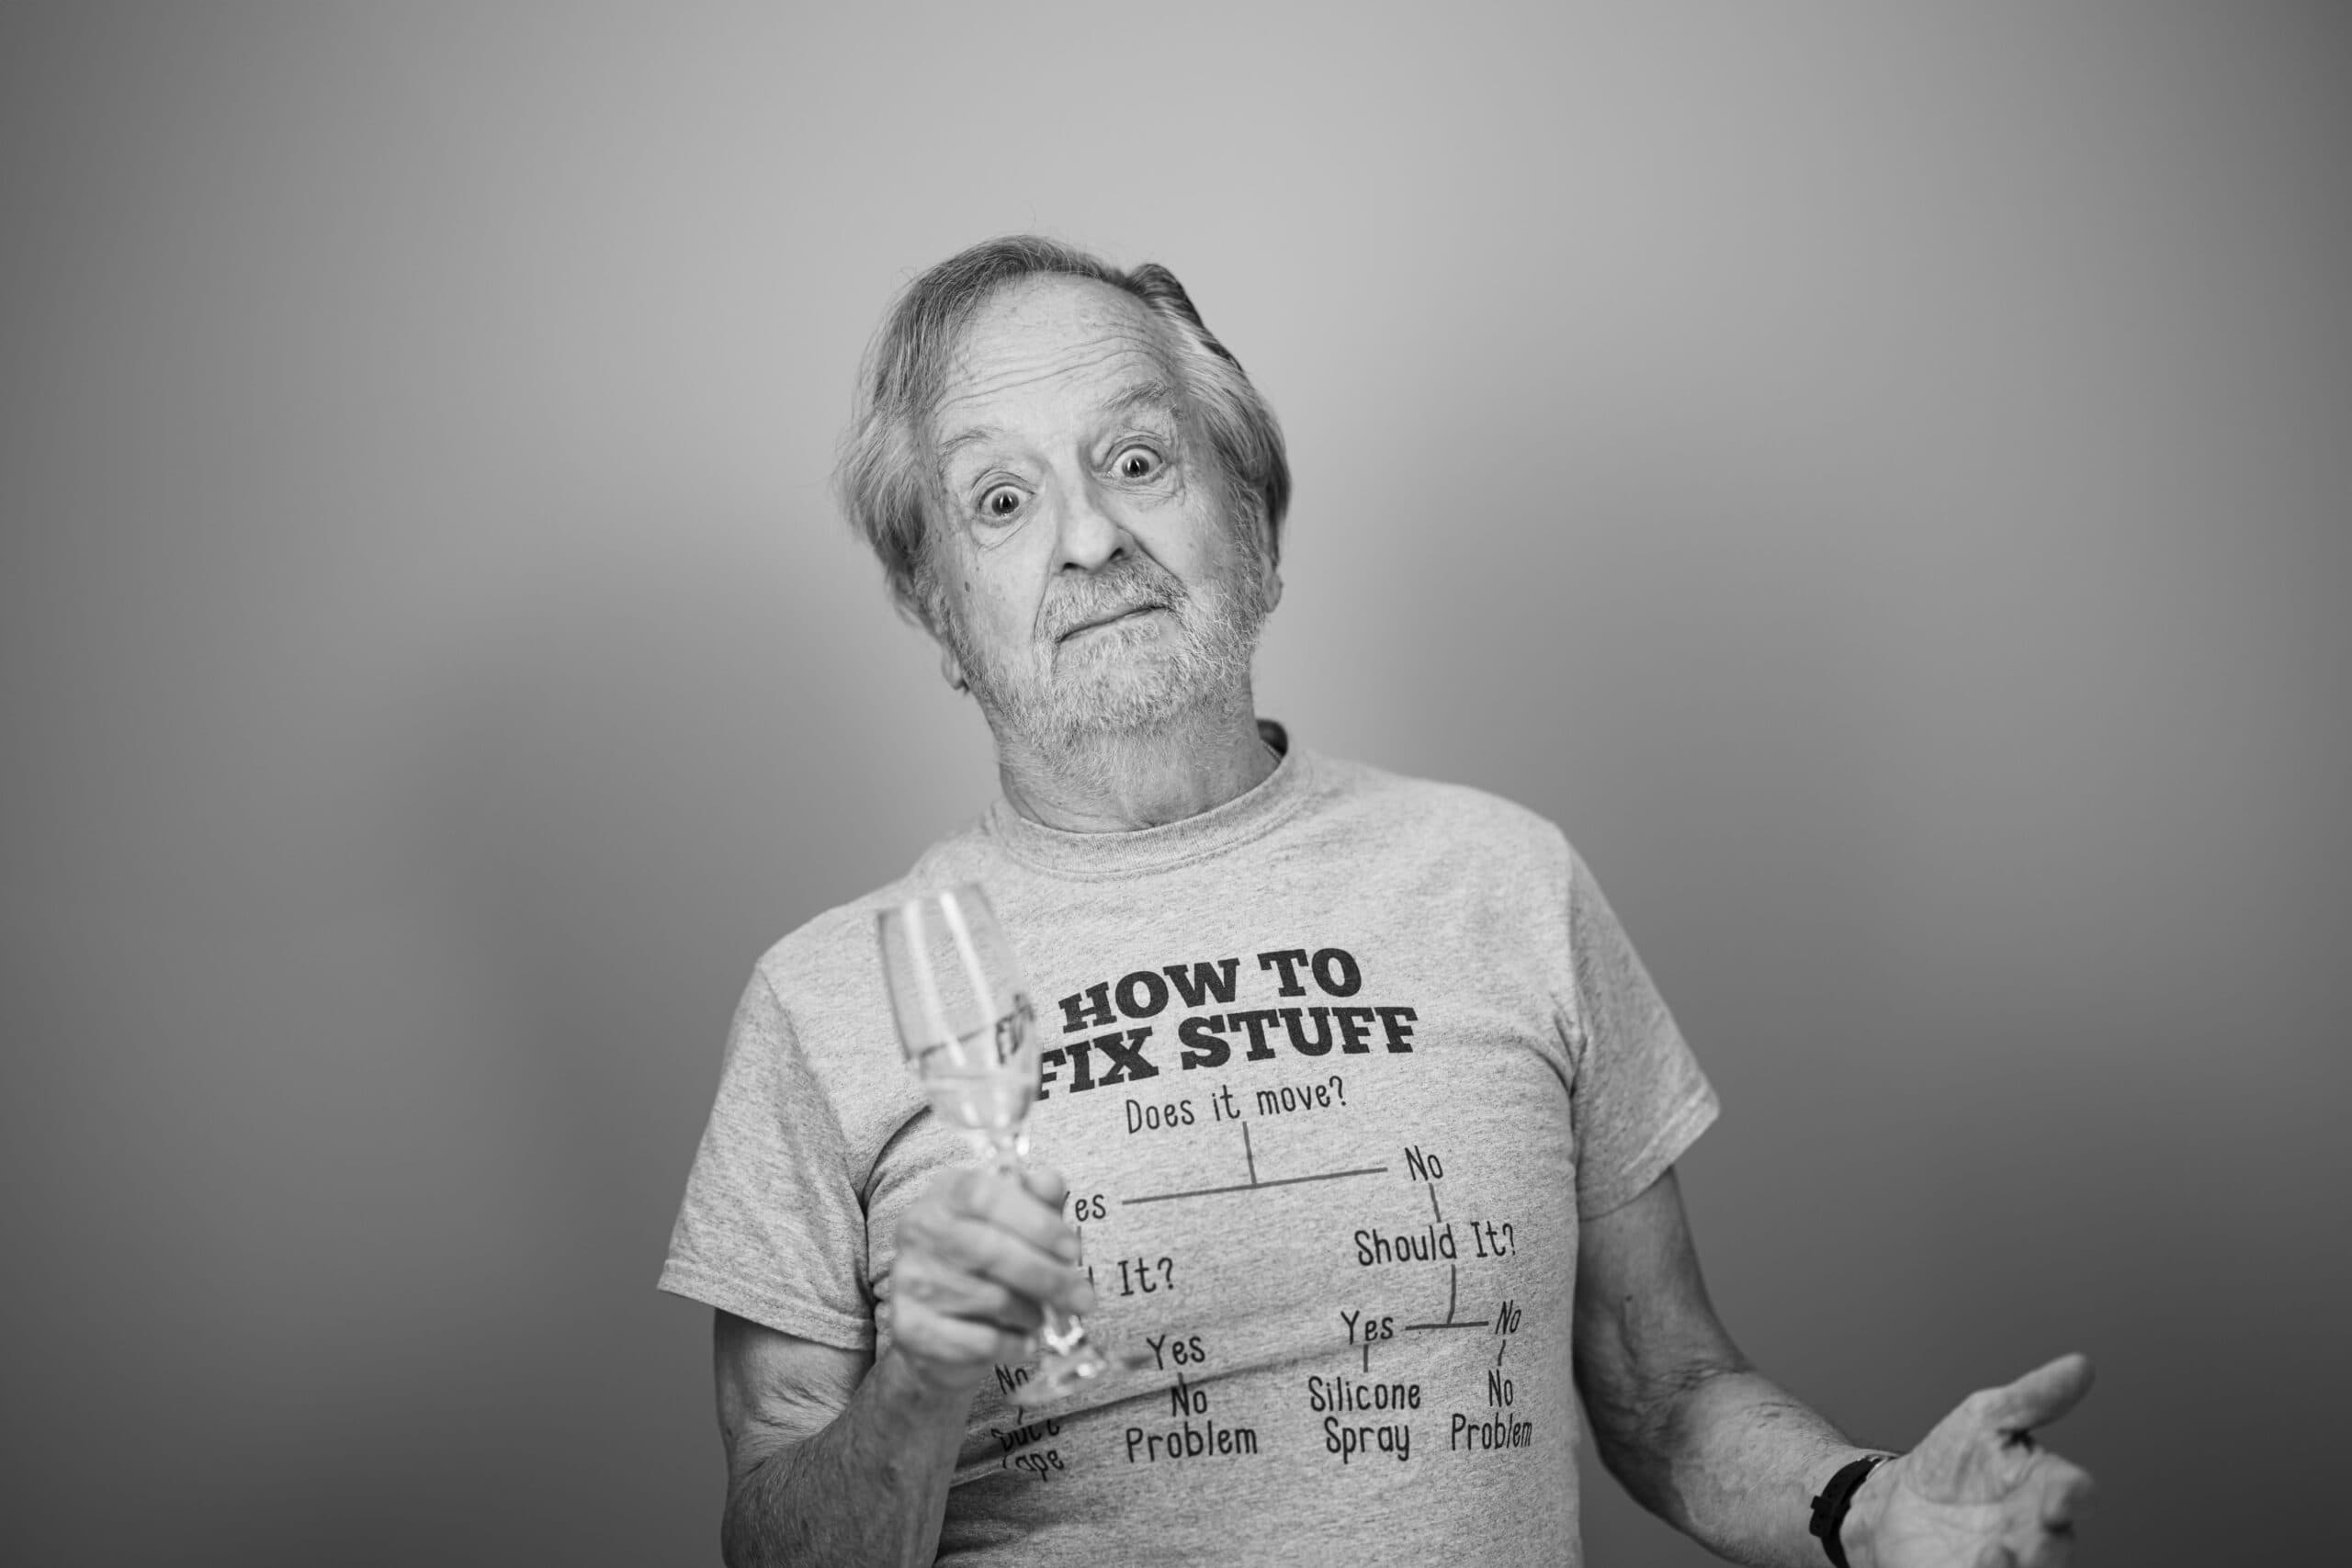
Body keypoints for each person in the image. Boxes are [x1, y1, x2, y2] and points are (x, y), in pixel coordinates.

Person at [659, 235, 2095, 1567]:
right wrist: (916, 1386)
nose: (1090, 541)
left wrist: (1870, 1509)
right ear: (937, 609)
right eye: (1002, 501)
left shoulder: (1504, 877)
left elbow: (1665, 1387)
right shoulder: (826, 998)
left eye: (1141, 462)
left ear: (1258, 525)